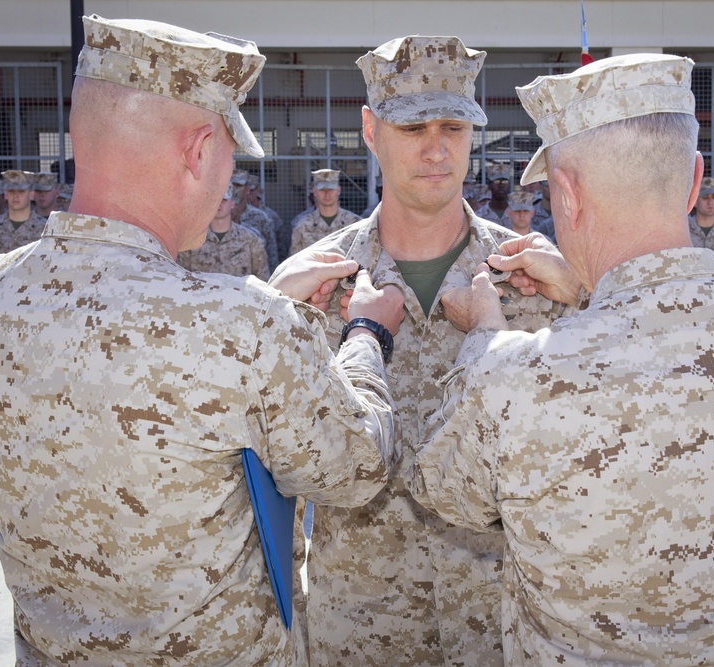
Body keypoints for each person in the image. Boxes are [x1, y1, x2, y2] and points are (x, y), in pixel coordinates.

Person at [0, 15, 405, 666]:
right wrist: (366, 332)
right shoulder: (243, 325)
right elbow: (355, 468)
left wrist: (267, 303)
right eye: (228, 156)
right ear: (198, 152)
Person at [409, 52, 714, 666]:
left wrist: (482, 337)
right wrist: (585, 290)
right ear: (696, 180)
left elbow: (444, 491)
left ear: (565, 197)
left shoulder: (516, 378)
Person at [271, 34, 568, 667]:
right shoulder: (315, 282)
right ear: (371, 130)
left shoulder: (533, 276)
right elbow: (279, 474)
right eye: (412, 128)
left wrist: (589, 294)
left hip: (500, 622)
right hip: (359, 622)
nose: (437, 149)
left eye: (454, 126)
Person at [178, 184, 271, 280]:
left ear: (233, 204)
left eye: (224, 199)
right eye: (215, 199)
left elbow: (262, 280)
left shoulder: (251, 240)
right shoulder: (192, 241)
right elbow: (181, 279)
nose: (219, 203)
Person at [0, 170, 46, 262]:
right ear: (5, 194)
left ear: (31, 195)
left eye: (21, 191)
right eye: (11, 191)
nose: (15, 196)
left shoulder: (45, 230)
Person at [289, 168, 360, 255]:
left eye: (331, 189)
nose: (327, 194)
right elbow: (294, 263)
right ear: (315, 192)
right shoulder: (303, 226)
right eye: (322, 190)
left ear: (338, 190)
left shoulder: (354, 224)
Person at [231, 170, 278, 269]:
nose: (234, 189)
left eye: (238, 186)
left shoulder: (261, 218)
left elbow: (271, 253)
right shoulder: (217, 216)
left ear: (247, 190)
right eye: (231, 185)